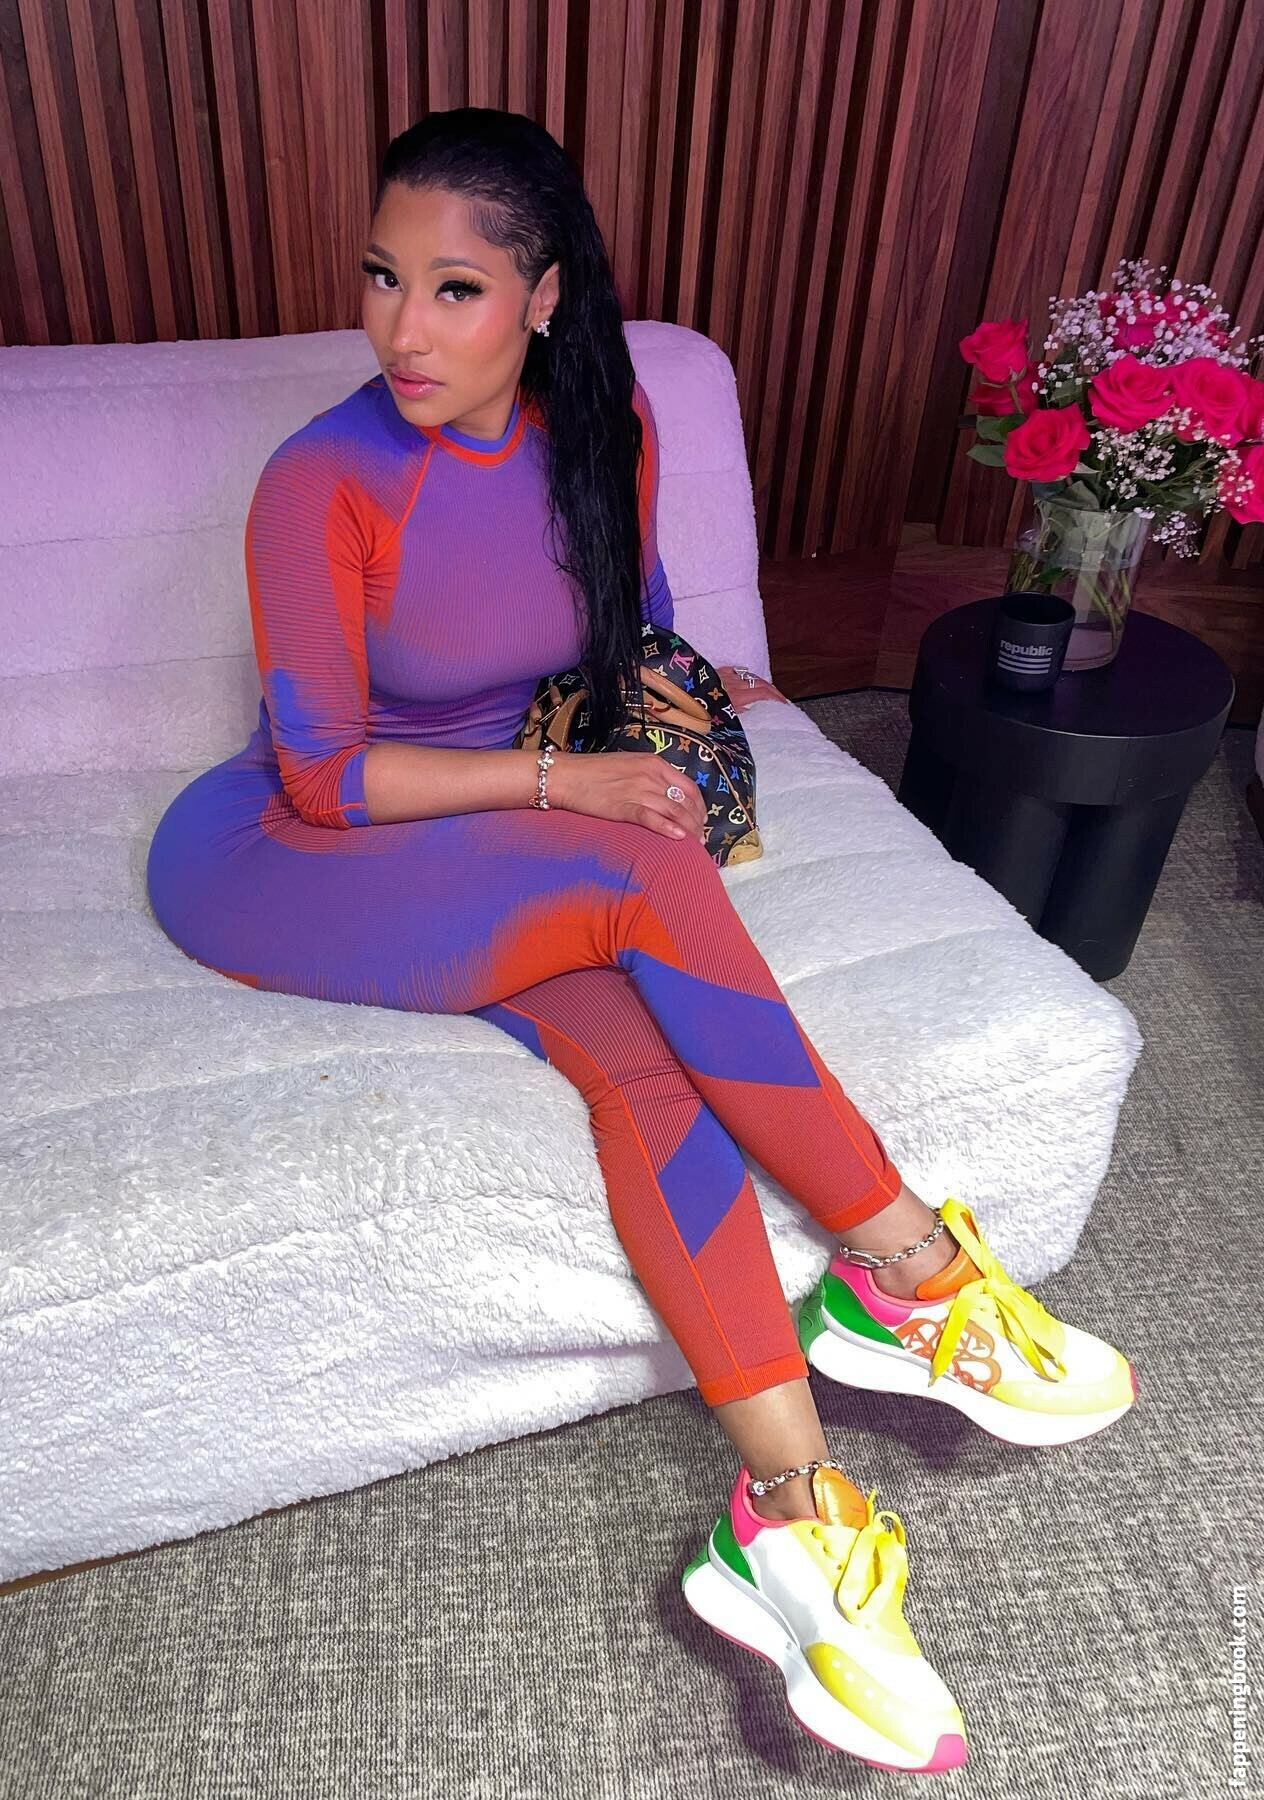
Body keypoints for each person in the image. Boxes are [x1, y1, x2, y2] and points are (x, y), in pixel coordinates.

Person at [145, 106, 1136, 1774]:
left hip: (492, 848)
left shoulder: (609, 429)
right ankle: (908, 1267)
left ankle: (791, 1516)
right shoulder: (321, 477)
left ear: (542, 297)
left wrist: (679, 712)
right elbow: (322, 772)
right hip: (297, 854)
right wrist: (570, 784)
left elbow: (635, 629)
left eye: (454, 289)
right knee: (639, 875)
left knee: (652, 1074)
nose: (402, 329)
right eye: (382, 278)